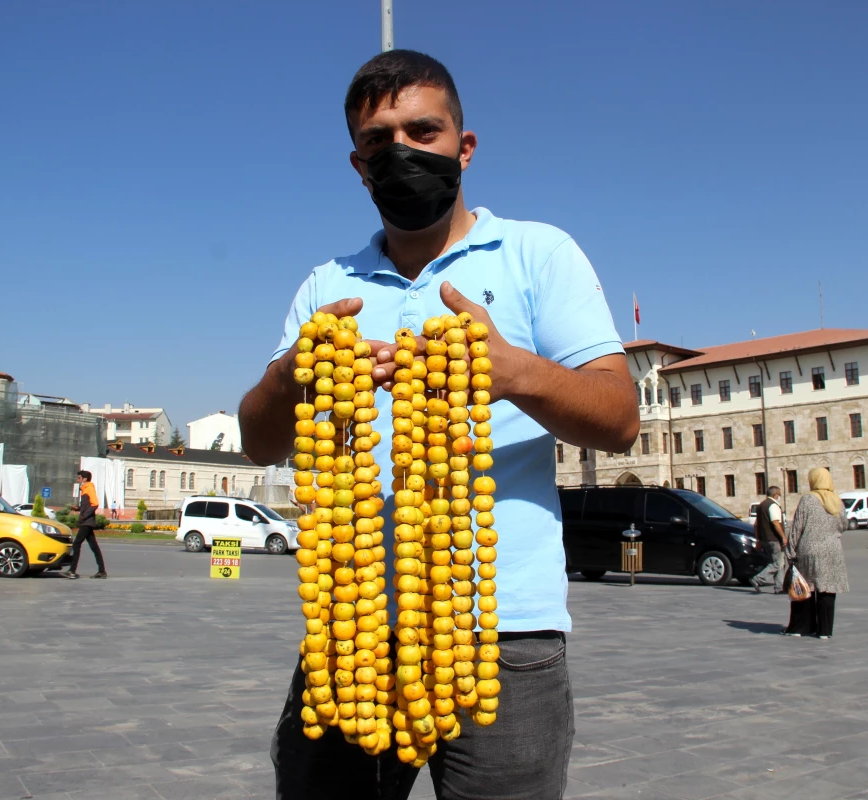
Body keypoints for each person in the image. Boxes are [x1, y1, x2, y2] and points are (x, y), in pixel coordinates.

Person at [239, 50, 639, 800]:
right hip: (351, 638)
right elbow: (259, 438)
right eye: (379, 141)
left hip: (501, 637)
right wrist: (296, 370)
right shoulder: (328, 285)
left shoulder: (537, 254)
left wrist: (508, 368)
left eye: (423, 131)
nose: (402, 154)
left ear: (465, 145)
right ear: (357, 165)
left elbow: (619, 419)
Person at [784, 467, 848, 638]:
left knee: (805, 589)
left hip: (809, 550)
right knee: (827, 590)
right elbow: (844, 525)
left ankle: (801, 627)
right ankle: (825, 631)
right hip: (832, 551)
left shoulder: (808, 500)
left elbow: (797, 527)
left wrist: (790, 552)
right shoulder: (837, 501)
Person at [65, 470, 107, 579]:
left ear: (84, 479)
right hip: (86, 521)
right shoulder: (84, 490)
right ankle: (102, 571)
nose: (77, 480)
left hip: (87, 522)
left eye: (79, 478)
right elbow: (87, 506)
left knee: (76, 544)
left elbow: (95, 504)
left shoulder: (89, 488)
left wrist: (84, 516)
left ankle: (72, 570)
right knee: (94, 547)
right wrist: (78, 508)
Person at [750, 486, 787, 594]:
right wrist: (783, 537)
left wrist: (758, 540)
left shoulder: (761, 505)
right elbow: (775, 522)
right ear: (775, 495)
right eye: (779, 494)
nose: (780, 496)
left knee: (779, 562)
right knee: (777, 563)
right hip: (773, 539)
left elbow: (756, 524)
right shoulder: (773, 506)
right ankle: (758, 579)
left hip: (764, 539)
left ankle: (779, 587)